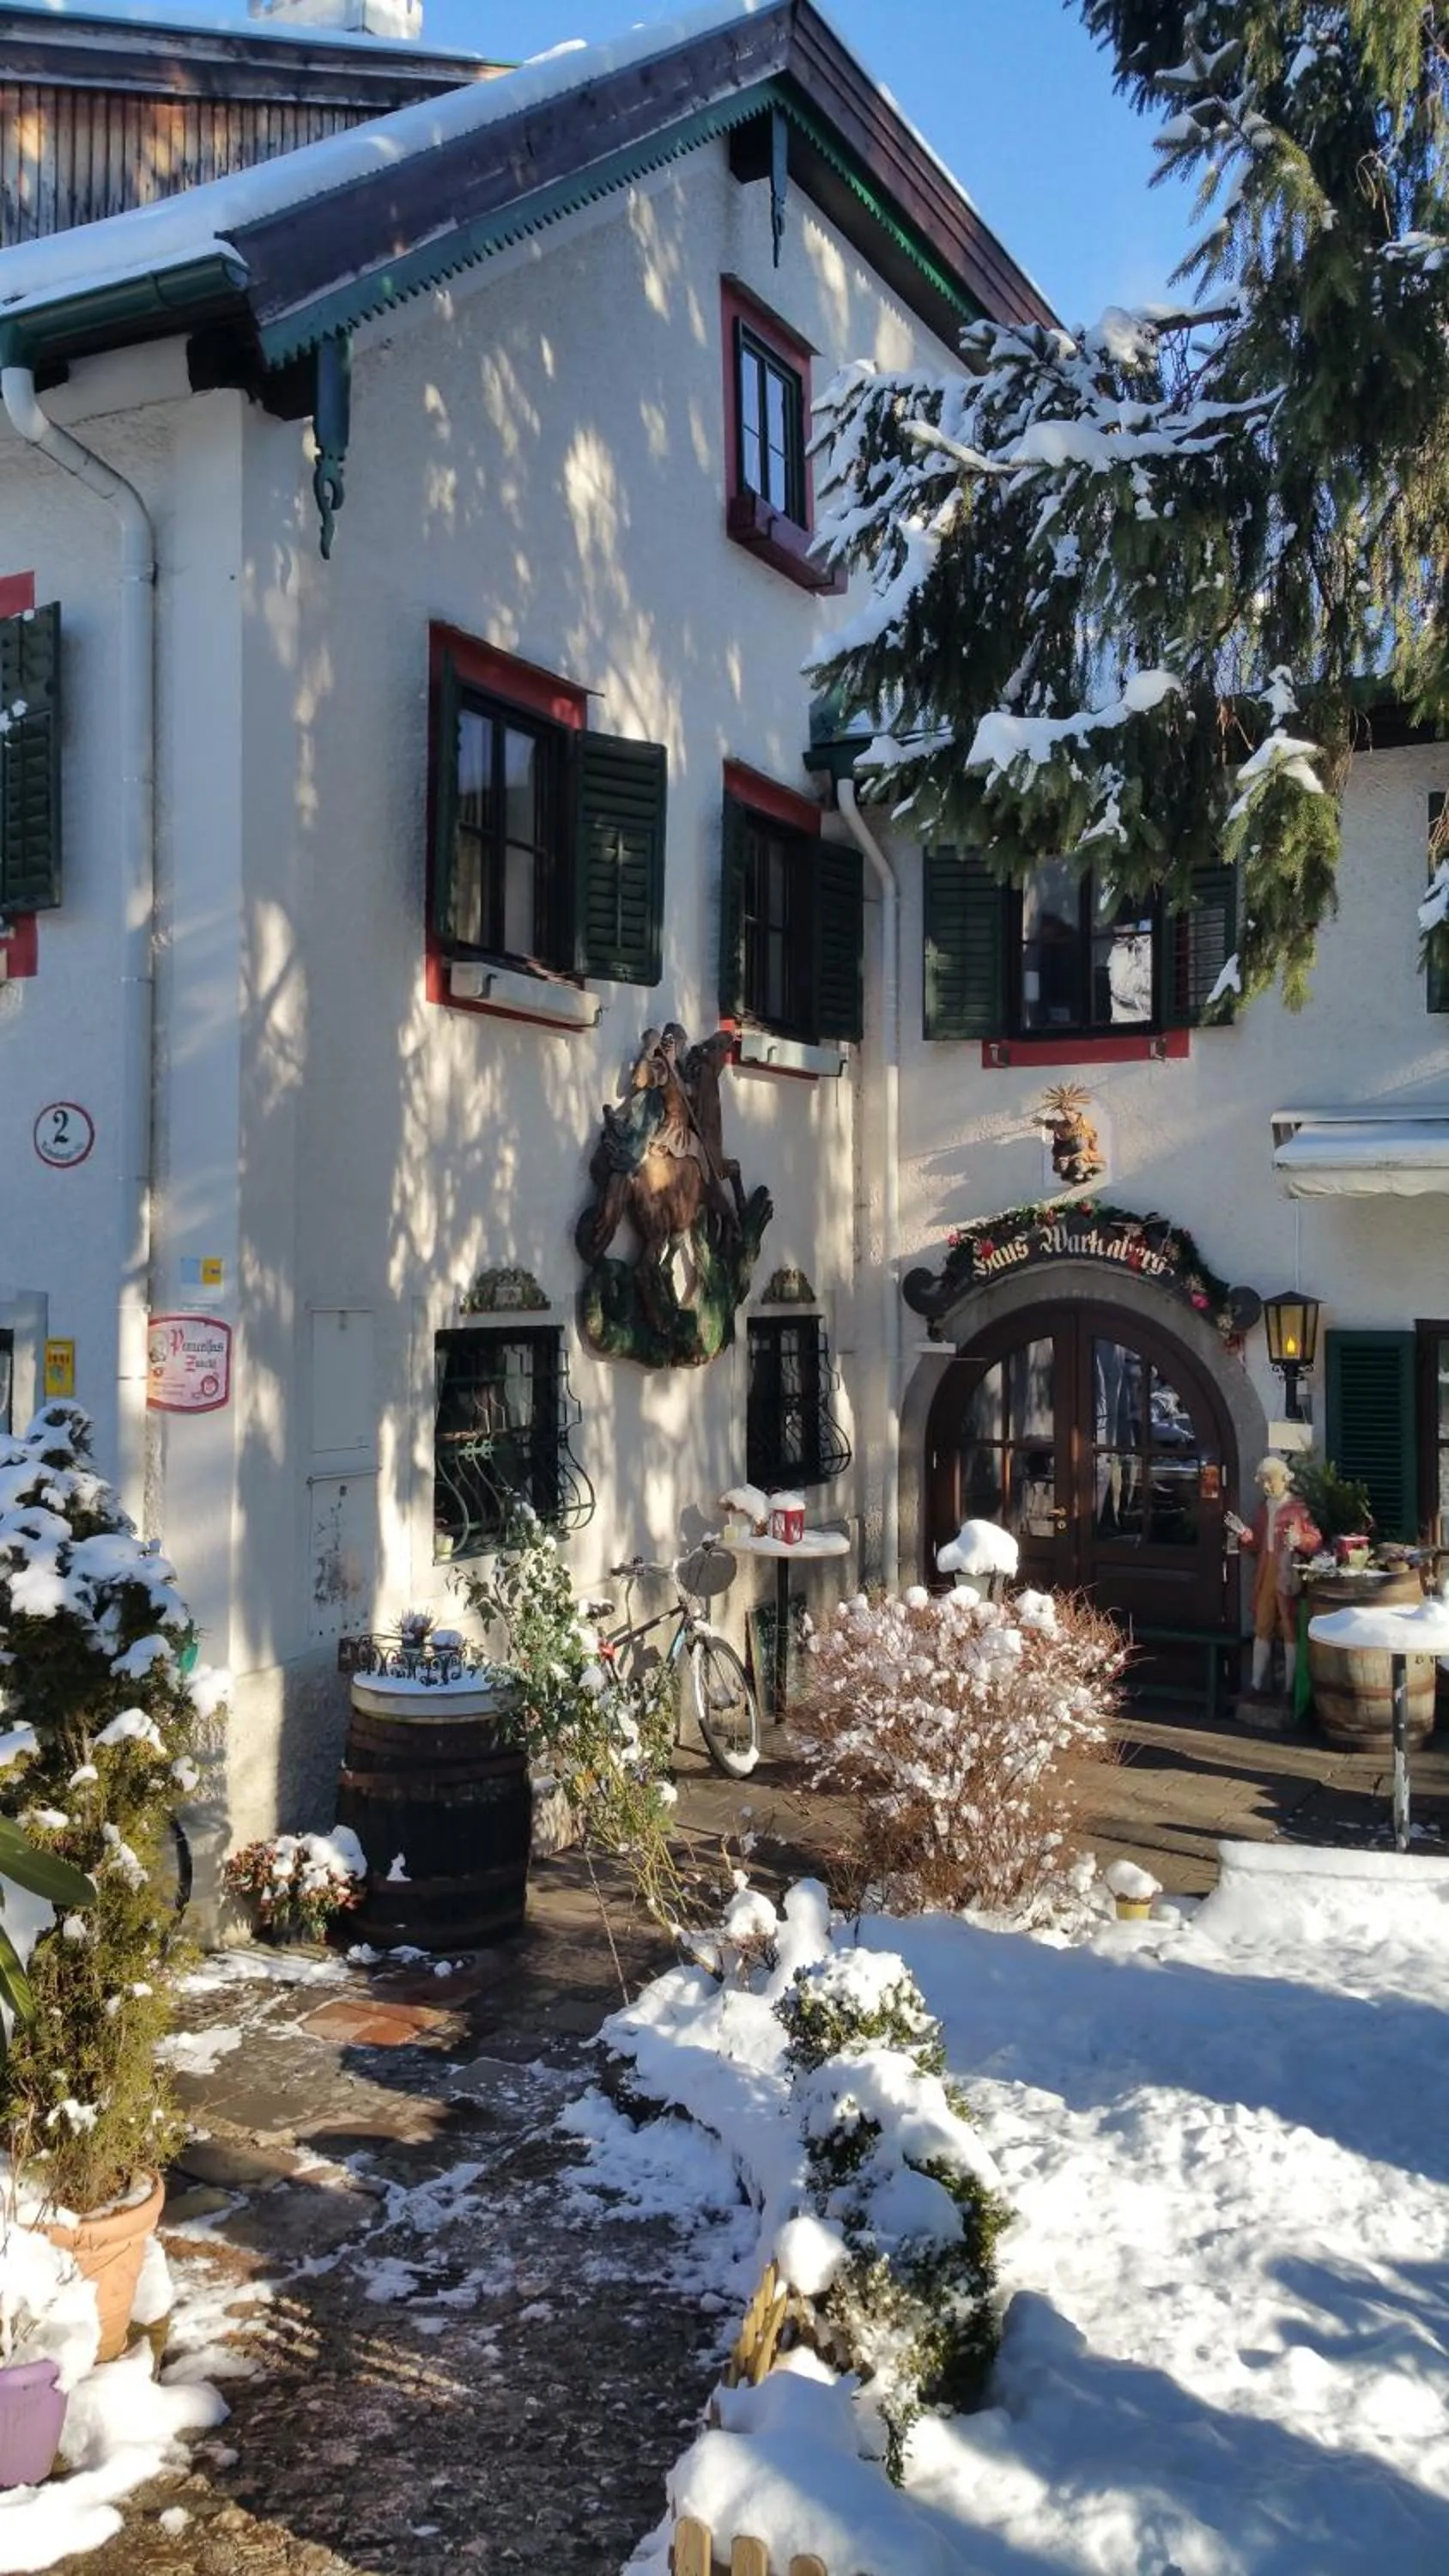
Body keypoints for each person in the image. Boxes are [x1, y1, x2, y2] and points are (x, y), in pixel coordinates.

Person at [1238, 1455, 1321, 1697]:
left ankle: (1289, 1687)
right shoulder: (1264, 1509)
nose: (1266, 1486)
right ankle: (1255, 1684)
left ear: (1283, 1480)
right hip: (1267, 1571)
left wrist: (1300, 1540)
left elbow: (1315, 1539)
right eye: (1263, 1481)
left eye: (1270, 1481)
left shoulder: (1298, 1509)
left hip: (1286, 1571)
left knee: (1289, 1626)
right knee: (1262, 1625)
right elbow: (1258, 1543)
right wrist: (1246, 1535)